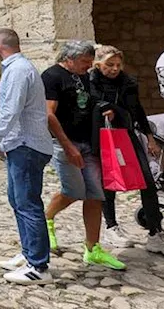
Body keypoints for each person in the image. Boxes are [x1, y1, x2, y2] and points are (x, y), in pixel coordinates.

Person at [91, 46, 164, 258]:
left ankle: (155, 233)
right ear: (98, 65)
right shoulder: (90, 82)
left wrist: (150, 137)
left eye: (118, 65)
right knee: (109, 182)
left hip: (126, 135)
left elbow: (137, 110)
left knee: (147, 181)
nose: (115, 69)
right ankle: (111, 226)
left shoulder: (128, 82)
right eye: (109, 65)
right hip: (102, 137)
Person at [42, 40, 126, 271]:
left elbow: (89, 102)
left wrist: (104, 109)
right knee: (73, 191)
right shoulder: (52, 77)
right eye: (84, 62)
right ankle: (45, 219)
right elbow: (49, 114)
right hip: (65, 144)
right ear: (69, 58)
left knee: (95, 195)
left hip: (89, 143)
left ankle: (93, 248)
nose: (88, 67)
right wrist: (68, 147)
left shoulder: (85, 77)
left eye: (90, 63)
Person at [0, 29, 56, 284]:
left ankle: (38, 265)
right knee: (17, 199)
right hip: (22, 143)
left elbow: (10, 109)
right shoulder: (19, 68)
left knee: (27, 203)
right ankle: (29, 252)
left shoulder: (16, 71)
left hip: (26, 143)